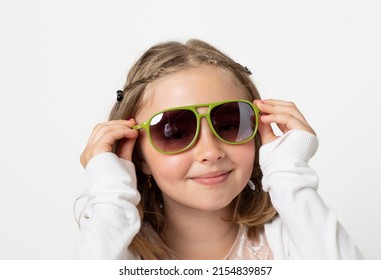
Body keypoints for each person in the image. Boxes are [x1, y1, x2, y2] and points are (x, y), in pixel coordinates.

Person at [76, 39, 363, 260]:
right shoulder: (120, 250)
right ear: (138, 155)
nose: (210, 151)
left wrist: (290, 175)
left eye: (229, 124)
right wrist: (112, 192)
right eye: (174, 132)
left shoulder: (291, 238)